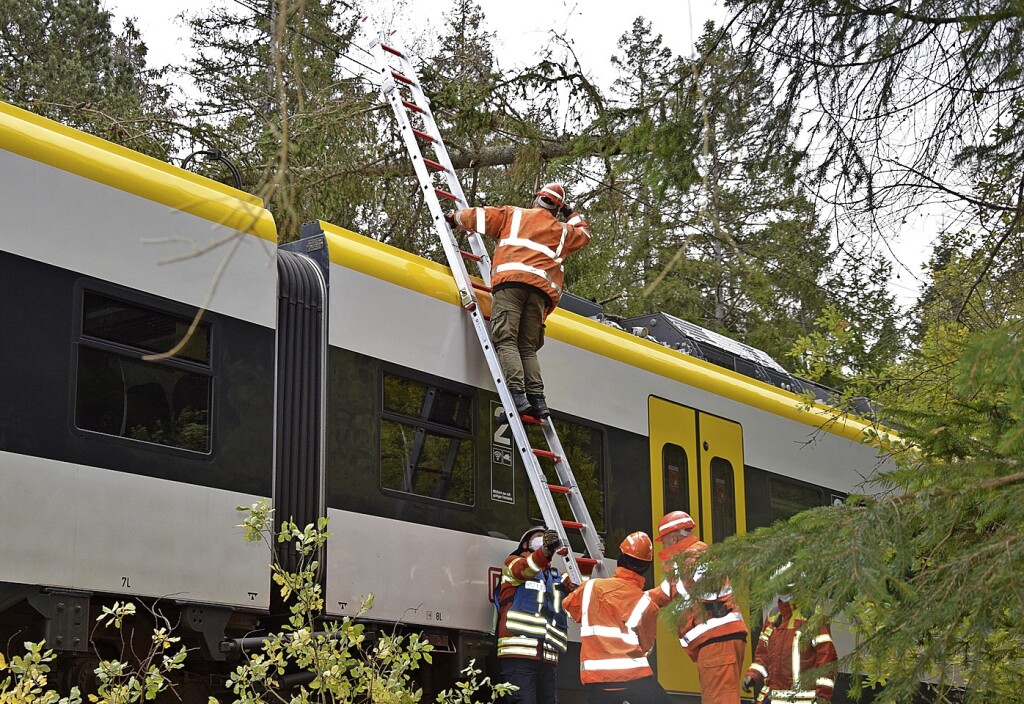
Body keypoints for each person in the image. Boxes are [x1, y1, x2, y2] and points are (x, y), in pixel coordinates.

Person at [446, 183, 591, 419]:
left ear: (536, 200)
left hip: (511, 284)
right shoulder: (563, 231)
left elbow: (476, 216)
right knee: (527, 347)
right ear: (557, 209)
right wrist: (570, 212)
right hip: (540, 294)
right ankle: (538, 400)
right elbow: (584, 234)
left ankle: (518, 396)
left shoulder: (513, 215)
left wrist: (453, 218)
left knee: (506, 339)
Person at [650, 511, 747, 704]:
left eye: (664, 541)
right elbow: (665, 592)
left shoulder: (691, 556)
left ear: (675, 537)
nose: (663, 546)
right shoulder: (696, 555)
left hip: (716, 640)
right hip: (718, 639)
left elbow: (670, 590)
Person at [562, 531, 669, 704]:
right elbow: (647, 646)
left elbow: (569, 608)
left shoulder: (590, 588)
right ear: (646, 567)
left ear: (620, 558)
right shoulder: (645, 602)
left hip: (595, 679)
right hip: (634, 678)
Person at [494, 526, 574, 704]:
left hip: (547, 657)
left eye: (546, 539)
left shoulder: (556, 576)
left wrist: (584, 566)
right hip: (519, 655)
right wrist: (544, 550)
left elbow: (576, 587)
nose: (543, 540)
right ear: (525, 544)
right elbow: (524, 569)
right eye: (538, 537)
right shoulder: (513, 563)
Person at [742, 590, 839, 704]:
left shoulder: (811, 614)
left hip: (804, 699)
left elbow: (827, 656)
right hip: (774, 697)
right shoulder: (773, 617)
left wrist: (823, 694)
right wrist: (753, 675)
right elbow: (763, 655)